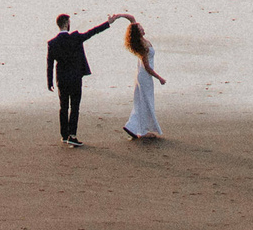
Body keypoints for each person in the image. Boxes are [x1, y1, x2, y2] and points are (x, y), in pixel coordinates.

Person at [45, 12, 121, 147]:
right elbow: (92, 32)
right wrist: (108, 22)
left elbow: (50, 64)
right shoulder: (75, 37)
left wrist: (49, 82)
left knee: (63, 107)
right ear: (67, 23)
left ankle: (64, 135)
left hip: (61, 79)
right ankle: (72, 135)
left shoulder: (52, 43)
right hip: (75, 78)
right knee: (74, 107)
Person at [120, 18, 166, 141]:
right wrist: (159, 78)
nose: (143, 28)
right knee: (145, 101)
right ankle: (142, 131)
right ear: (138, 32)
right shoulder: (141, 45)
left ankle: (133, 127)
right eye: (140, 28)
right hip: (144, 76)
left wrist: (120, 15)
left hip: (143, 75)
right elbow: (147, 67)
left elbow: (132, 19)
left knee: (142, 101)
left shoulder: (142, 41)